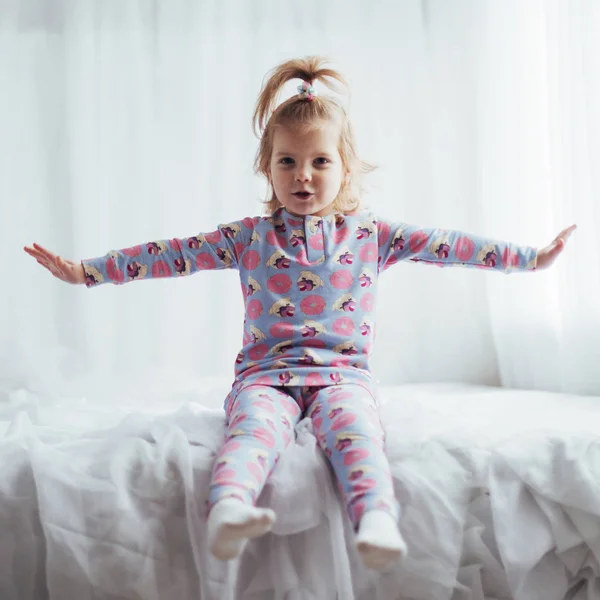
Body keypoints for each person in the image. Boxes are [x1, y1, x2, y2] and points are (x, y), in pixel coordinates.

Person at [24, 56, 576, 571]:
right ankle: (229, 509)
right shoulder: (250, 237)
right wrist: (87, 271)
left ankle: (376, 520)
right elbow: (169, 254)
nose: (303, 175)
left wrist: (529, 259)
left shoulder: (370, 235)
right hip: (265, 377)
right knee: (251, 434)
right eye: (287, 161)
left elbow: (450, 244)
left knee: (359, 434)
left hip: (343, 376)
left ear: (345, 167)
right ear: (268, 168)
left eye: (319, 161)